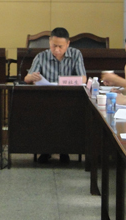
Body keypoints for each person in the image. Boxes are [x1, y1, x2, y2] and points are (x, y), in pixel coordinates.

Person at [24, 27, 86, 163]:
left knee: (68, 115)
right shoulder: (41, 56)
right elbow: (27, 78)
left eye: (60, 46)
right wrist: (32, 77)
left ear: (68, 44)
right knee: (44, 115)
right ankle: (45, 150)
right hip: (46, 98)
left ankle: (65, 150)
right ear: (49, 42)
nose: (57, 49)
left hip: (69, 98)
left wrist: (63, 81)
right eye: (54, 46)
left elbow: (83, 79)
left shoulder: (76, 54)